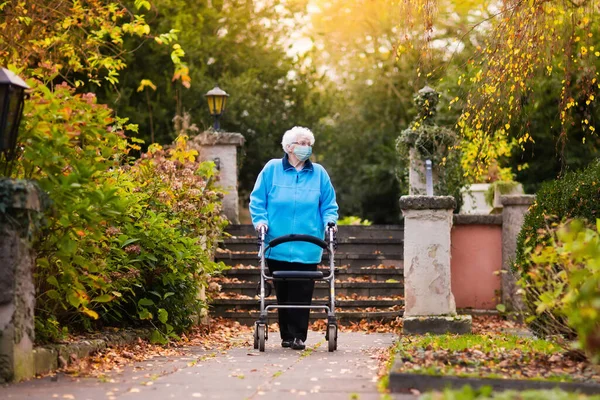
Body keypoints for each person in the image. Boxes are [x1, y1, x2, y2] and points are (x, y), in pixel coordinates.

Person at [249, 126, 338, 350]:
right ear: (289, 147)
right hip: (277, 242)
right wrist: (260, 220)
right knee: (283, 290)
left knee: (302, 290)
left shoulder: (319, 173)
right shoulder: (271, 170)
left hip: (308, 244)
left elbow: (329, 204)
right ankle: (286, 336)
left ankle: (298, 336)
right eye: (302, 143)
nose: (306, 148)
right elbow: (257, 199)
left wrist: (331, 222)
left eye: (309, 144)